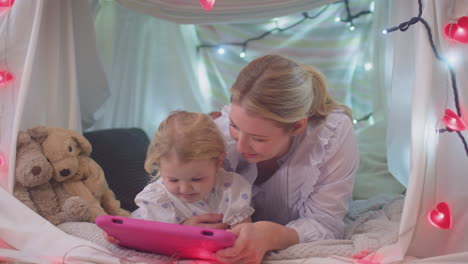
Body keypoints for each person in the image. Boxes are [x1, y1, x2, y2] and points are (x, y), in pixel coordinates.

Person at [208, 54, 359, 264]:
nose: (241, 146)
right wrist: (186, 223)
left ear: (297, 126)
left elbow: (326, 223)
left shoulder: (330, 136)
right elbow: (168, 192)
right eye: (235, 126)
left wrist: (273, 235)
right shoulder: (219, 134)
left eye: (258, 138)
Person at [104, 111, 254, 243]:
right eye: (173, 180)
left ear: (218, 162)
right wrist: (183, 230)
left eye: (196, 179)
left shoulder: (231, 188)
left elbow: (245, 235)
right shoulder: (159, 197)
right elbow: (145, 235)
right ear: (160, 167)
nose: (185, 188)